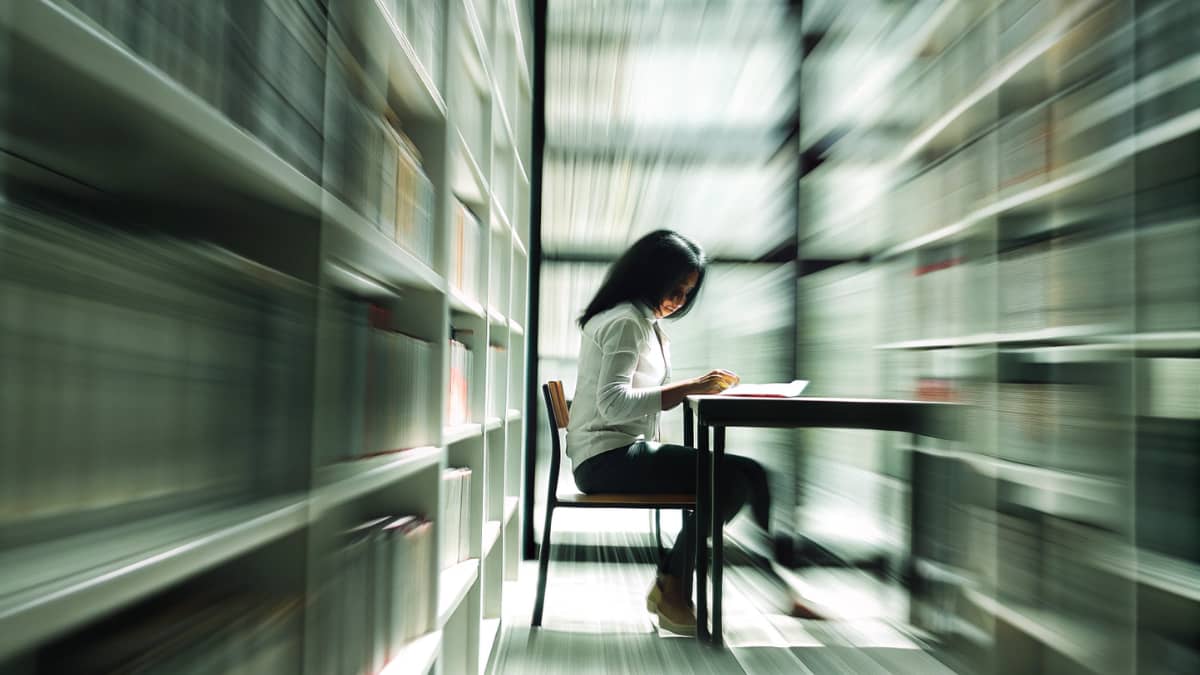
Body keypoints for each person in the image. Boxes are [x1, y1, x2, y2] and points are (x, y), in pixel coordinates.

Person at [566, 229, 815, 636]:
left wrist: (693, 390)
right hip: (605, 460)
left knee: (750, 474)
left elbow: (631, 396)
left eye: (687, 292)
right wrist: (689, 388)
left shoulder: (642, 323)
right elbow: (612, 403)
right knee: (733, 480)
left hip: (619, 451)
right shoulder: (626, 322)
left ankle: (693, 581)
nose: (680, 300)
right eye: (675, 288)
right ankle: (677, 585)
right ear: (649, 277)